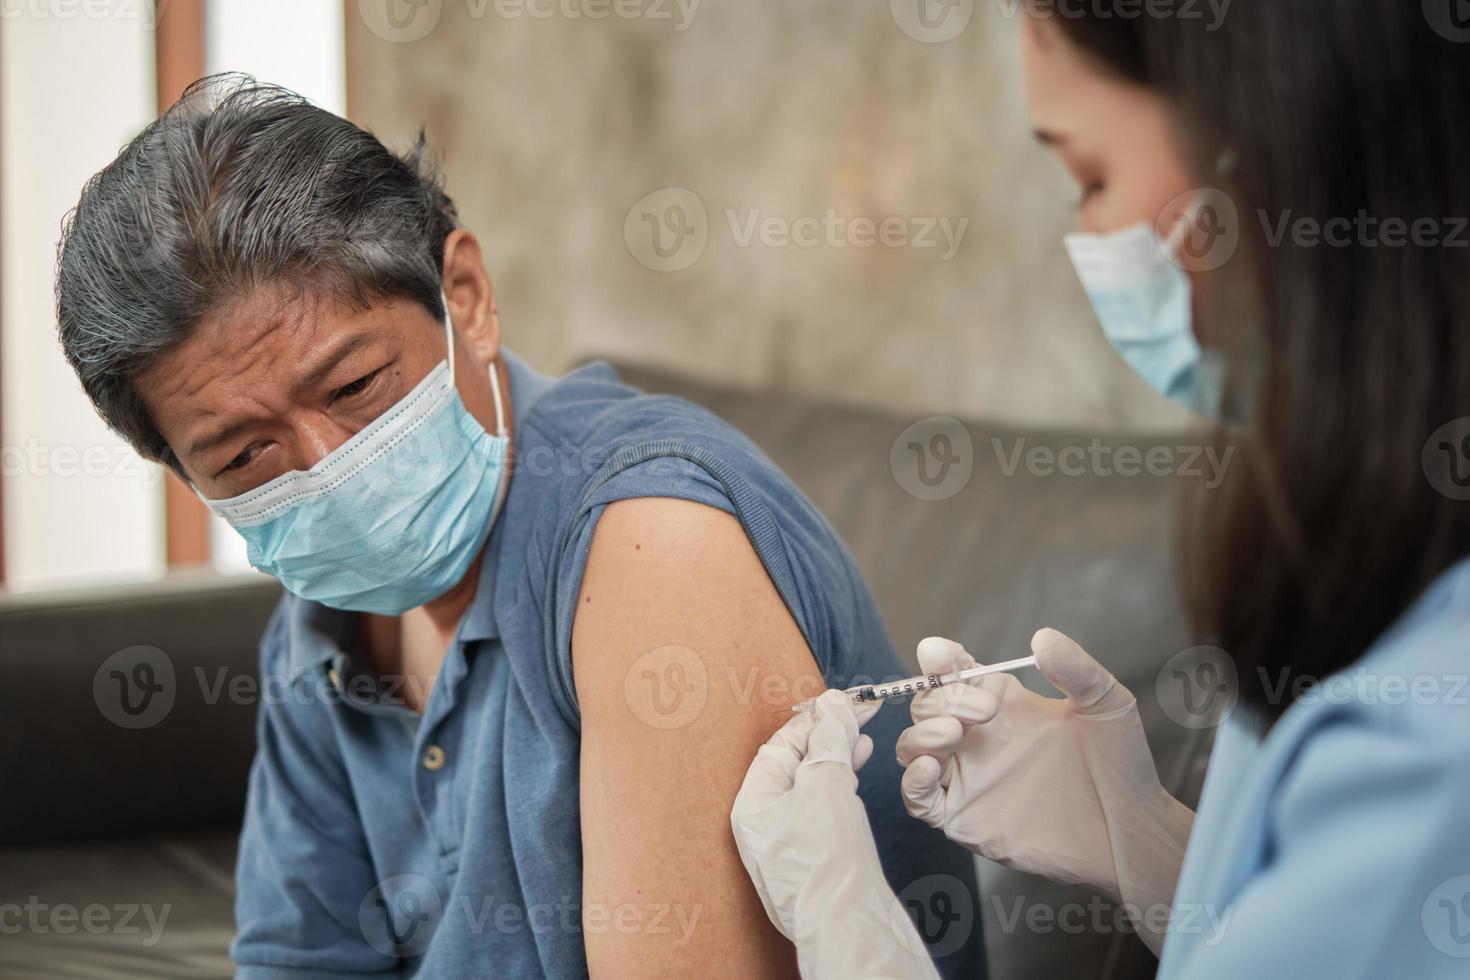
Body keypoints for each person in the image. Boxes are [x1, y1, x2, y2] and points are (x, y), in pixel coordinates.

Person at [54, 75, 985, 977]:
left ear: (465, 297)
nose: (325, 464)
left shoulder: (653, 544)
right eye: (245, 455)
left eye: (353, 388)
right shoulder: (321, 629)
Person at [732, 2, 1470, 977]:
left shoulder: (1427, 730)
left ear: (1259, 153)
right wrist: (1145, 842)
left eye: (1092, 175)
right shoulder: (1374, 565)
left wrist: (846, 920)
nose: (1089, 231)